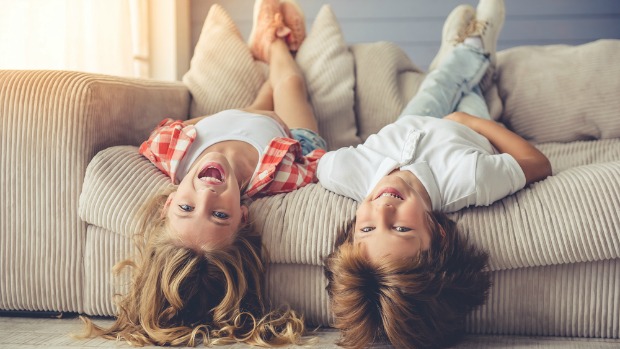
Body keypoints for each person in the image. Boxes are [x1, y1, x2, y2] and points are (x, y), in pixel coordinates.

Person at [77, 0, 322, 346]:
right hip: (286, 133)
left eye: (187, 208)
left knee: (253, 108)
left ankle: (263, 56)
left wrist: (207, 128)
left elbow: (155, 138)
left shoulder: (172, 154)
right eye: (220, 214)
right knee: (290, 84)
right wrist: (304, 147)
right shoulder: (275, 175)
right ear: (243, 216)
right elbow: (315, 168)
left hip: (235, 118)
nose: (207, 193)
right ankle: (277, 42)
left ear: (168, 202)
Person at [321, 1, 552, 348]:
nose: (382, 209)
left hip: (413, 119)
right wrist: (468, 121)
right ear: (439, 234)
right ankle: (474, 49)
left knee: (436, 87)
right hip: (468, 129)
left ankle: (457, 55)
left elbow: (318, 162)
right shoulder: (469, 178)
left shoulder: (345, 173)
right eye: (400, 228)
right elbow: (537, 163)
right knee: (471, 92)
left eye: (366, 228)